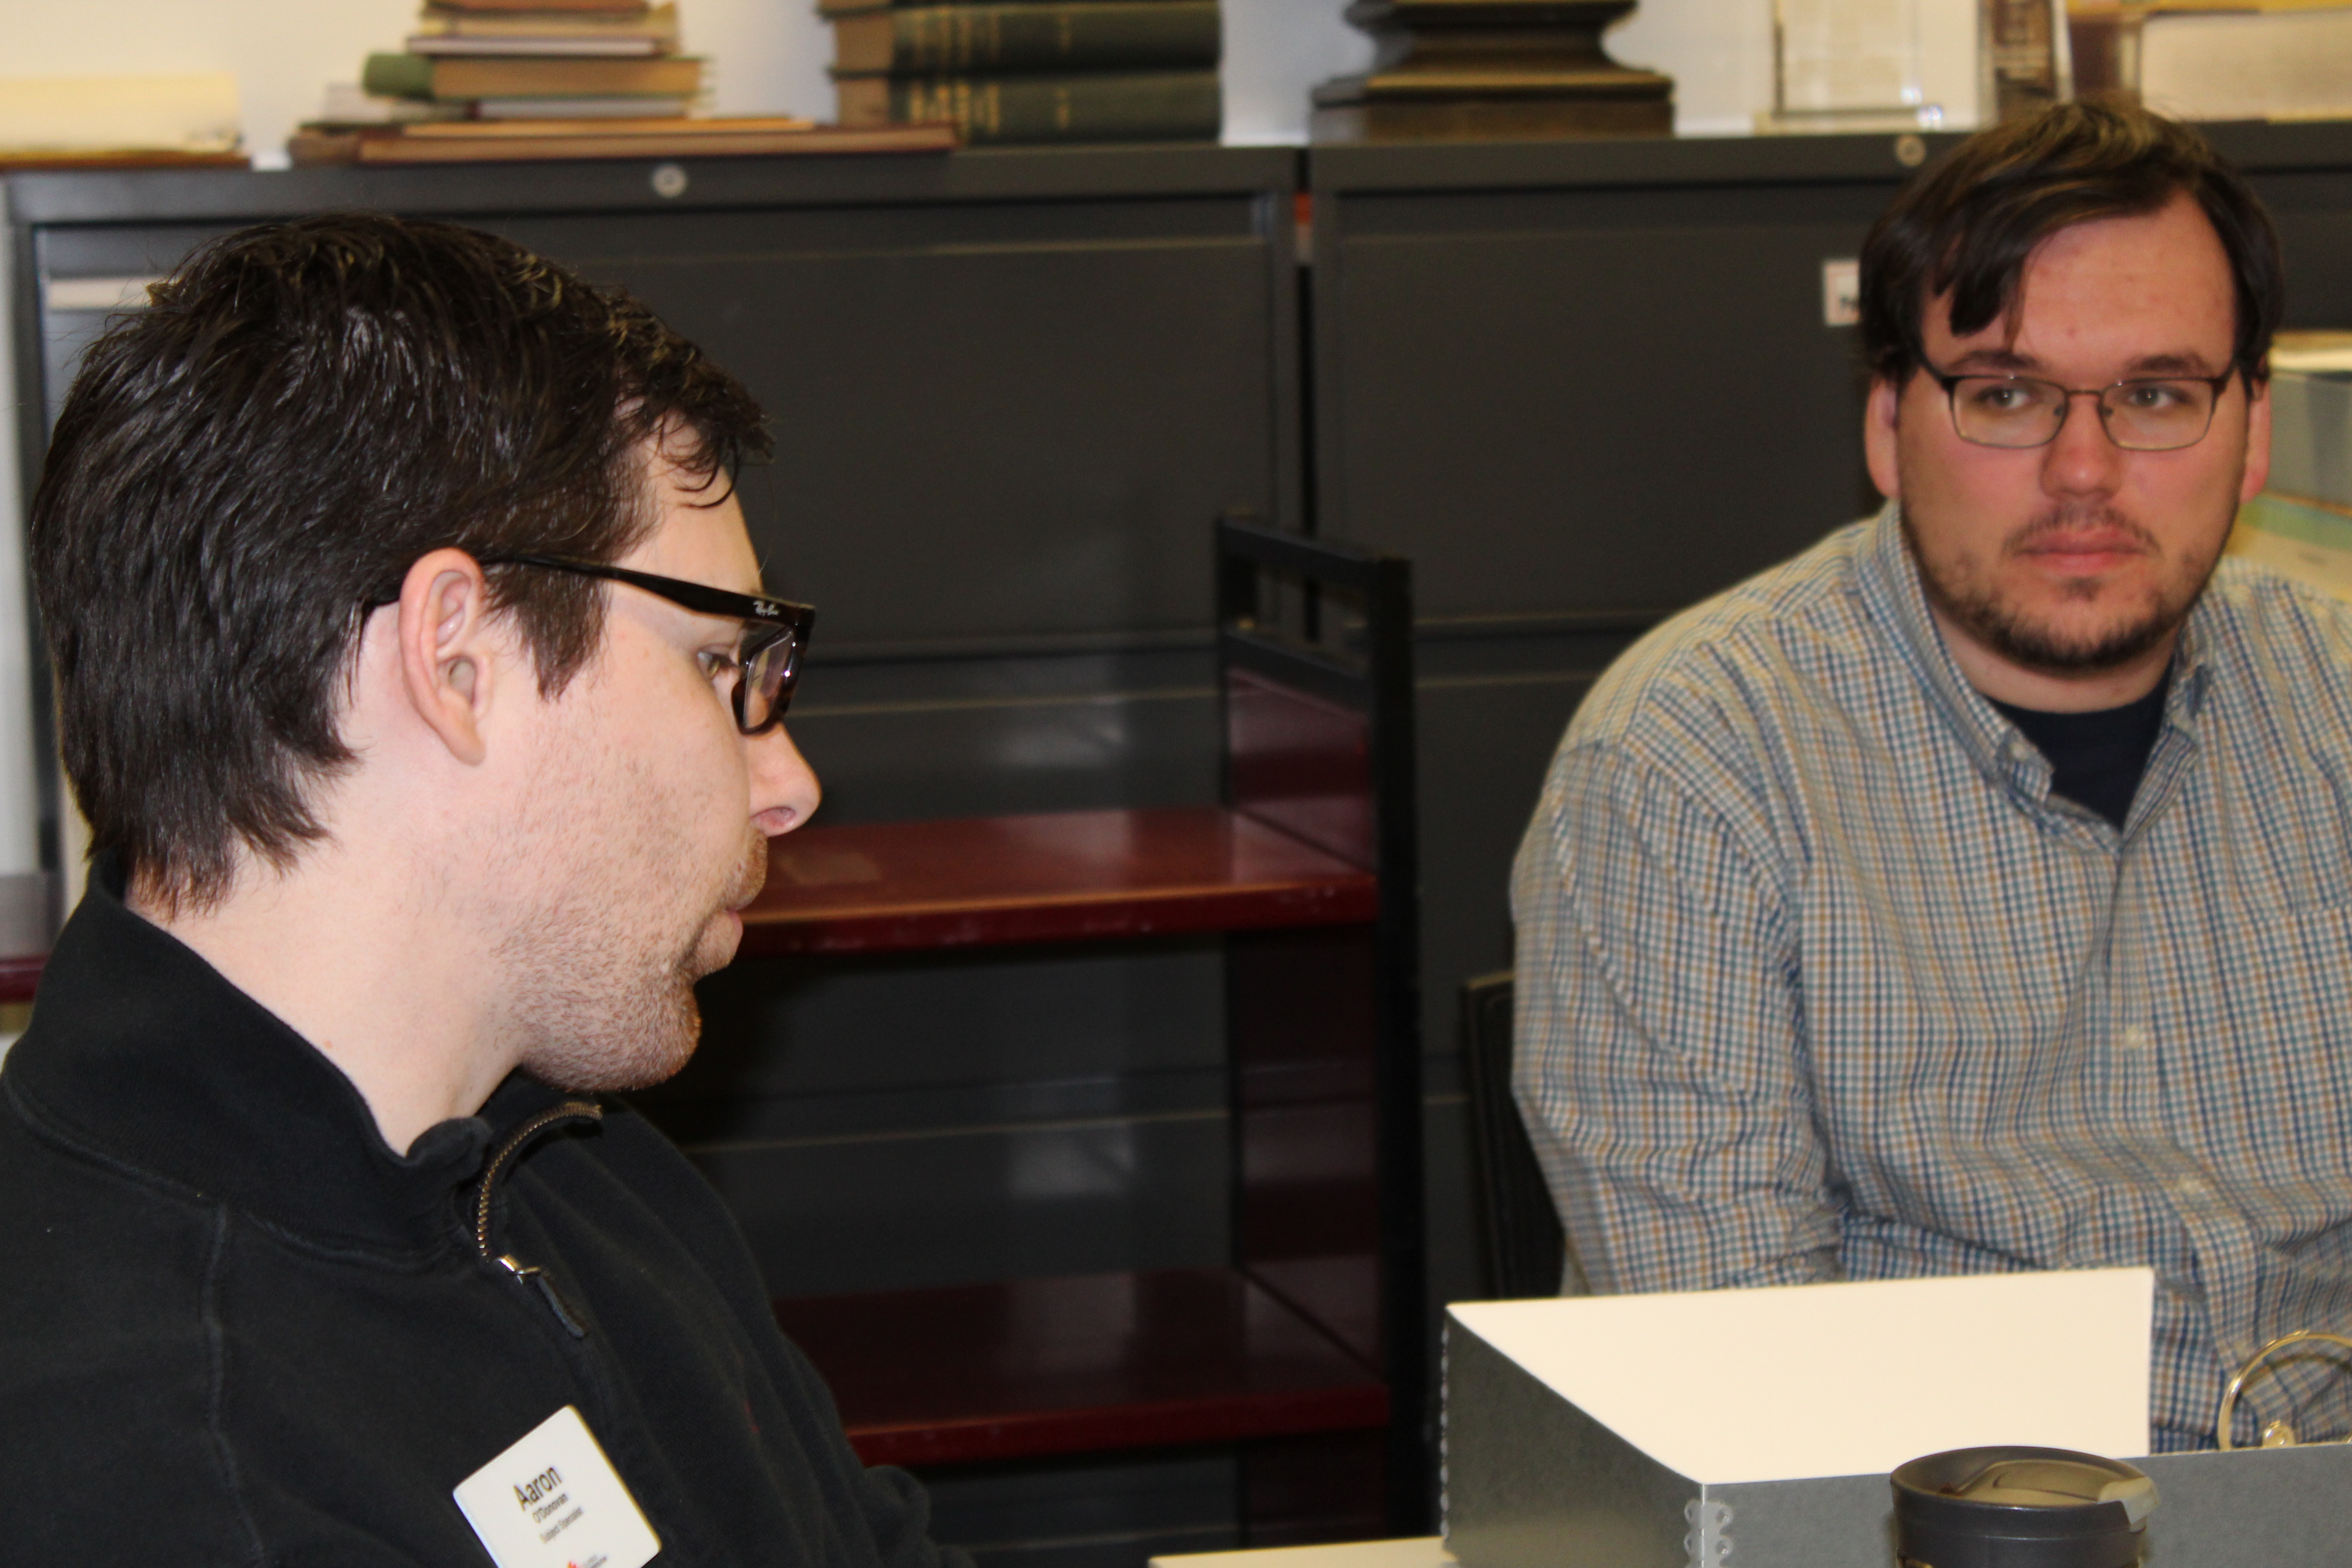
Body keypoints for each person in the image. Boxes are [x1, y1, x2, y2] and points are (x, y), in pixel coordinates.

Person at [0, 213, 965, 1565]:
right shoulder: (175, 1472)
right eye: (717, 666)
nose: (789, 782)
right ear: (459, 661)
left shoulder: (554, 1150)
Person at [1510, 99, 2352, 1453]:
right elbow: (1745, 1390)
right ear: (1890, 426)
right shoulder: (1690, 766)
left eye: (2156, 394)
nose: (2086, 472)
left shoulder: (2335, 703)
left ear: (2251, 430)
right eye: (2007, 393)